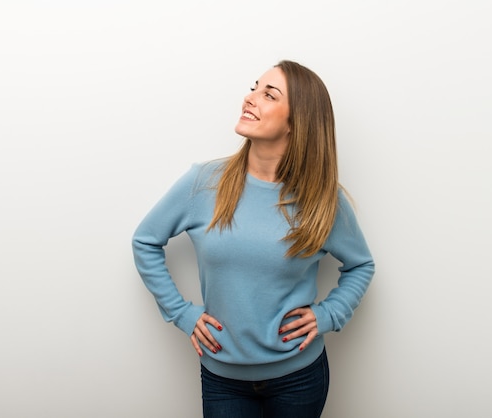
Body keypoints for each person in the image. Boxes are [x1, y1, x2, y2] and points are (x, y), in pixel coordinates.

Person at [132, 60, 375, 418]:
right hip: (222, 378)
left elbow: (360, 265)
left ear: (297, 122)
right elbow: (145, 241)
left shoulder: (324, 199)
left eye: (268, 94)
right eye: (254, 87)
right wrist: (181, 313)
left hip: (299, 377)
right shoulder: (204, 182)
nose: (250, 98)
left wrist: (330, 314)